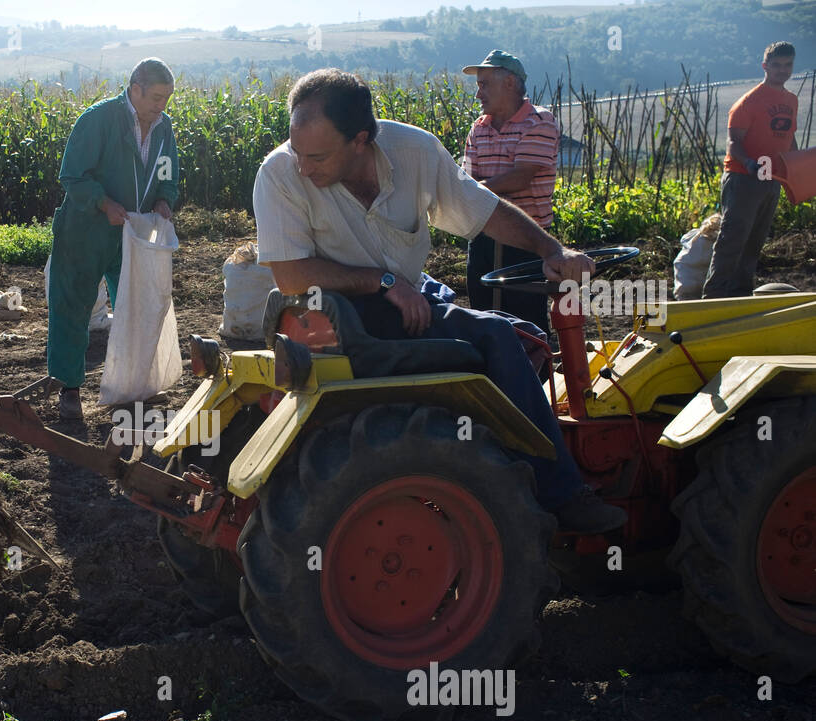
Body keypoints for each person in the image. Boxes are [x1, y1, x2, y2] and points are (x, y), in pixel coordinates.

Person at [252, 68, 626, 533]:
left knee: (522, 334)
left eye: (318, 157)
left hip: (400, 298)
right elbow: (289, 274)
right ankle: (563, 494)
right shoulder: (281, 172)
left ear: (361, 139)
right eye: (299, 152)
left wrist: (552, 249)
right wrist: (385, 282)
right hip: (339, 316)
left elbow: (484, 211)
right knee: (496, 336)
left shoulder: (415, 152)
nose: (305, 166)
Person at [47, 58, 180, 421]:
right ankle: (69, 388)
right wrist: (103, 202)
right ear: (134, 89)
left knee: (136, 305)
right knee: (72, 306)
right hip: (85, 232)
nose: (161, 106)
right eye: (155, 97)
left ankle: (132, 383)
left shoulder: (164, 128)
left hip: (134, 235)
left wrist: (164, 199)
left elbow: (167, 170)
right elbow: (72, 176)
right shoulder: (98, 120)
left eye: (166, 98)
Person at [460, 50, 560, 334]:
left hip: (526, 239)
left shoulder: (539, 122)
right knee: (483, 316)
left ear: (510, 84)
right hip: (484, 238)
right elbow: (466, 177)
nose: (478, 94)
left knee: (526, 320)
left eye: (484, 84)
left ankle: (534, 375)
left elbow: (520, 177)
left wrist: (475, 191)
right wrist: (471, 189)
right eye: (478, 85)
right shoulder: (478, 129)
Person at [702, 42, 798, 298]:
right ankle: (713, 296)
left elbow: (789, 138)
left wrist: (798, 168)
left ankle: (740, 293)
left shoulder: (791, 100)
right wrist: (749, 163)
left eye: (787, 65)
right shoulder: (749, 102)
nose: (782, 70)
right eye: (776, 65)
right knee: (733, 239)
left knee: (755, 240)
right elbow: (734, 143)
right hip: (743, 177)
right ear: (765, 66)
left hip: (771, 179)